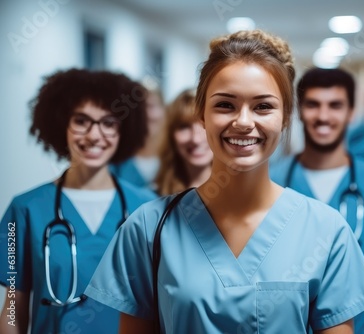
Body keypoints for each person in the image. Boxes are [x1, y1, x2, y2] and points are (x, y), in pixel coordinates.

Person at [84, 30, 364, 333]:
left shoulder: (327, 232)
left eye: (263, 106)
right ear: (201, 114)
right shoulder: (148, 228)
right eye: (225, 105)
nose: (243, 122)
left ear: (286, 117)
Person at [0, 68, 157, 334]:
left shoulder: (148, 208)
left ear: (124, 130)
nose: (95, 135)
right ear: (62, 125)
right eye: (82, 121)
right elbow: (14, 305)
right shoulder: (24, 209)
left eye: (108, 123)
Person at [271, 68, 364, 334]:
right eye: (312, 105)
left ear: (352, 113)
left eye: (335, 105)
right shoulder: (268, 181)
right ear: (299, 110)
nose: (323, 116)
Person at [155, 88, 213, 195]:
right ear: (170, 135)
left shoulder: (243, 194)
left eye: (204, 125)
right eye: (184, 127)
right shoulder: (151, 197)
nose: (196, 139)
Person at [110, 87, 166, 191]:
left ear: (164, 110)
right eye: (140, 108)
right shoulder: (117, 160)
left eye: (151, 106)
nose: (146, 114)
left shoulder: (177, 155)